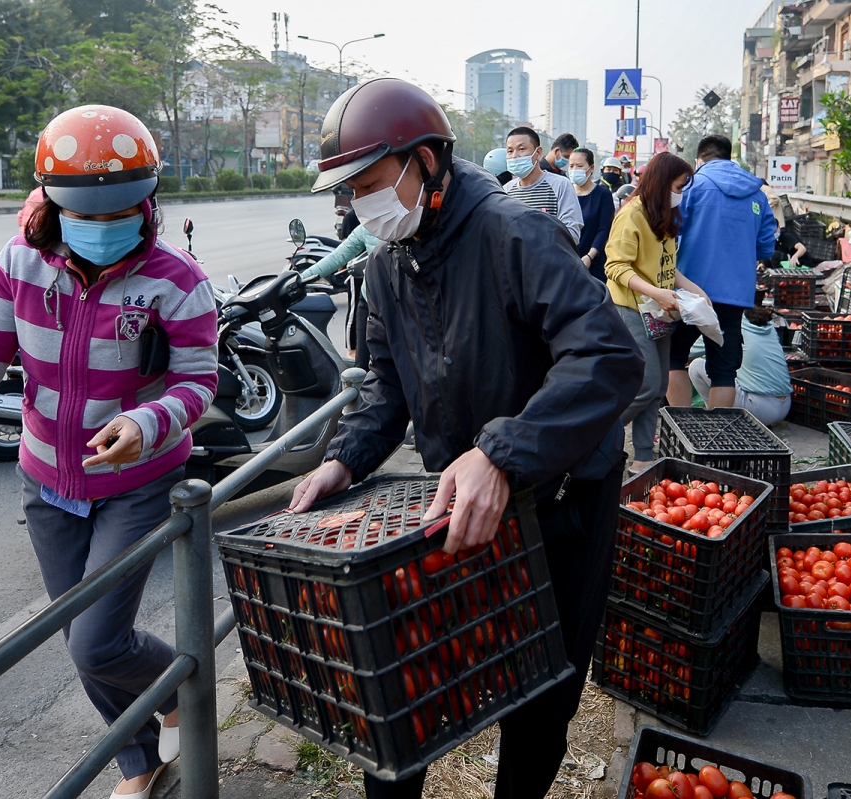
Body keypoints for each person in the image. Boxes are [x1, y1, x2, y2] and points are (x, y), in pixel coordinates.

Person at [291, 77, 644, 799]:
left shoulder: (514, 231)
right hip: (464, 502)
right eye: (347, 190)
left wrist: (502, 452)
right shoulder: (387, 261)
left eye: (369, 182)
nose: (357, 202)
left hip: (564, 501)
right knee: (410, 678)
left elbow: (607, 356)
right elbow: (386, 383)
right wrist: (343, 458)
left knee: (541, 689)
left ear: (426, 160)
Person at [0, 105, 219, 799]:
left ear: (146, 198)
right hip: (45, 480)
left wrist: (147, 423)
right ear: (54, 202)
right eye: (84, 215)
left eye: (120, 211)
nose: (101, 229)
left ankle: (186, 684)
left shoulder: (176, 278)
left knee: (96, 642)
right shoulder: (20, 259)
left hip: (137, 482)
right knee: (76, 635)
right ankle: (140, 762)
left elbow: (197, 381)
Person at [604, 152, 708, 474]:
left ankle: (644, 456)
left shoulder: (662, 215)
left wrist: (695, 292)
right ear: (662, 183)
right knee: (647, 384)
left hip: (659, 310)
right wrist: (656, 293)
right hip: (632, 307)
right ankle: (596, 434)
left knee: (660, 382)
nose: (681, 193)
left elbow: (668, 267)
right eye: (678, 186)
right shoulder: (631, 215)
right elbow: (615, 267)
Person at [667, 135, 777, 410]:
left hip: (690, 290)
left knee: (672, 356)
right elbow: (766, 246)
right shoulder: (757, 194)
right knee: (724, 370)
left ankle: (682, 429)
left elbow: (671, 231)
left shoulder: (694, 185)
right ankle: (716, 439)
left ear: (699, 159)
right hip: (735, 294)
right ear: (730, 157)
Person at [687, 307, 791, 425]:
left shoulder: (728, 323)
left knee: (697, 366)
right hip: (785, 405)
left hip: (757, 408)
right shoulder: (767, 324)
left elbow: (687, 352)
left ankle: (714, 418)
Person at [299, 221, 380, 368]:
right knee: (361, 365)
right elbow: (336, 258)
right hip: (369, 300)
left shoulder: (407, 226)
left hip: (401, 306)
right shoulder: (367, 228)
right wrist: (298, 280)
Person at [503, 127, 584, 245]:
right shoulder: (506, 191)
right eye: (510, 151)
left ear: (538, 153)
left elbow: (572, 234)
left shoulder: (560, 185)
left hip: (550, 262)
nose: (515, 156)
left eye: (521, 149)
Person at [568, 147, 615, 282]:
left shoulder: (603, 195)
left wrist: (590, 255)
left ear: (591, 168)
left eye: (579, 166)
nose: (574, 170)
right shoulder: (566, 192)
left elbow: (604, 229)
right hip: (567, 261)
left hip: (593, 263)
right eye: (571, 166)